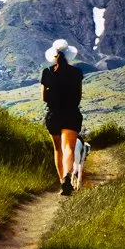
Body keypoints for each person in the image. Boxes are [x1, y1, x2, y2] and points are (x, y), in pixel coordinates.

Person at [41, 41, 84, 195]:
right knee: (69, 148)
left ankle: (62, 181)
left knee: (58, 149)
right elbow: (79, 96)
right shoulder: (77, 72)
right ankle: (67, 176)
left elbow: (44, 97)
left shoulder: (47, 72)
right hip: (72, 114)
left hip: (54, 115)